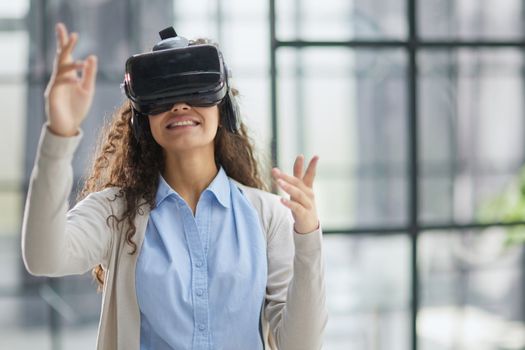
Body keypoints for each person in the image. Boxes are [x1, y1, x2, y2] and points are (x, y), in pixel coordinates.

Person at [21, 22, 327, 350]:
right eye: (164, 97)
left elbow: (300, 345)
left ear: (223, 108)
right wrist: (60, 132)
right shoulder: (116, 213)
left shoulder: (268, 216)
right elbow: (44, 259)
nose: (179, 106)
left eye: (194, 91)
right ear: (143, 118)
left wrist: (308, 237)